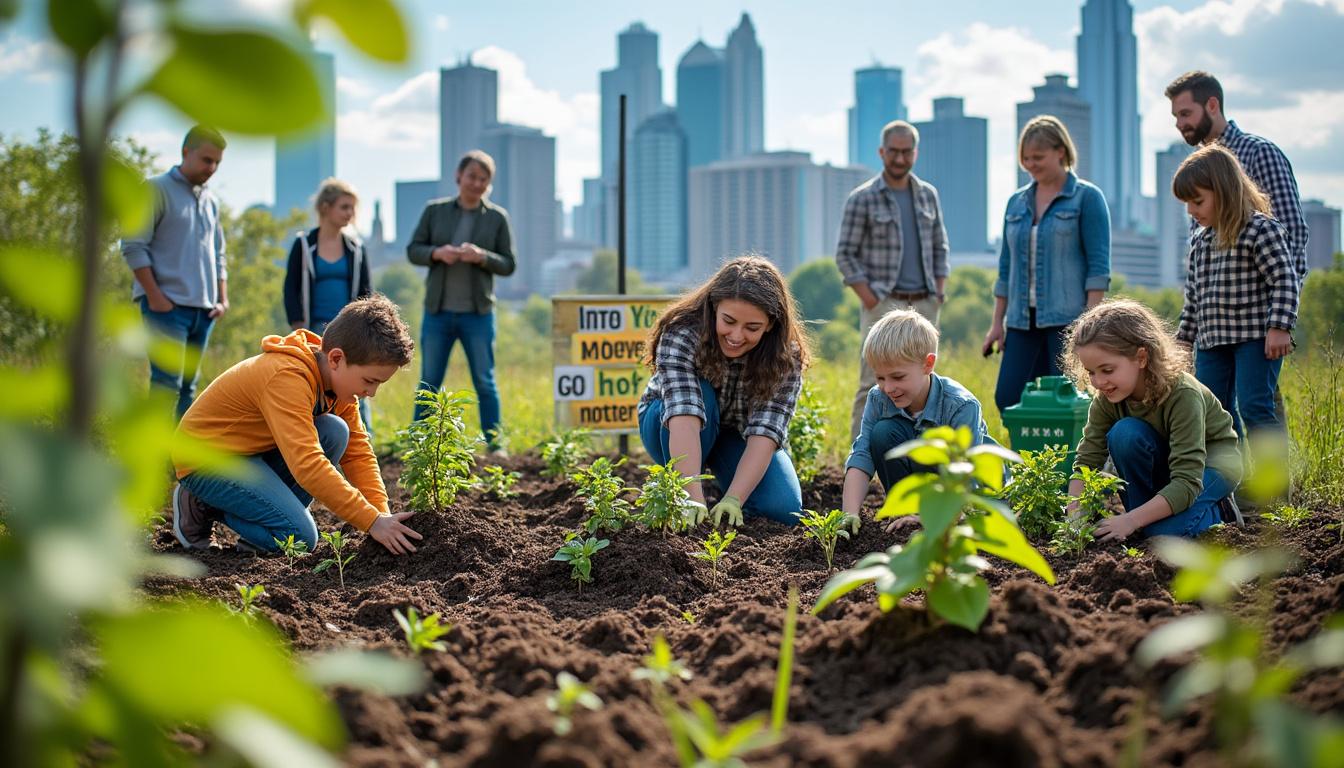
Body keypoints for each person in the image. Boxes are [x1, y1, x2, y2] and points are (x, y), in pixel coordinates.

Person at [169, 295, 421, 555]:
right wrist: (371, 521)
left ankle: (261, 536)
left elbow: (357, 453)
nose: (372, 392)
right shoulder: (288, 377)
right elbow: (307, 464)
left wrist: (382, 515)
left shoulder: (339, 387)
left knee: (334, 431)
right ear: (336, 359)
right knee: (299, 537)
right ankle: (202, 504)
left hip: (250, 455)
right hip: (206, 459)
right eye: (369, 381)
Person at [638, 255, 810, 526]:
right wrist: (692, 497)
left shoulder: (785, 357)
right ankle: (686, 485)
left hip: (735, 433)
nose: (737, 336)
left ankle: (722, 489)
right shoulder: (683, 332)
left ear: (770, 324)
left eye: (752, 327)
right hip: (669, 424)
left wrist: (734, 498)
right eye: (728, 321)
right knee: (701, 394)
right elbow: (683, 413)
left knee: (782, 509)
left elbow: (766, 432)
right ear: (714, 306)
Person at [1064, 299, 1242, 540]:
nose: (1098, 382)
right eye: (1091, 372)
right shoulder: (1108, 397)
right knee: (1125, 433)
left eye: (1107, 370)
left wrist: (1130, 520)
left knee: (1164, 536)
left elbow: (1187, 481)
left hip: (1210, 468)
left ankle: (1220, 510)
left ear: (1141, 358)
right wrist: (1073, 520)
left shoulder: (1183, 395)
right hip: (1168, 466)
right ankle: (1148, 521)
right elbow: (1086, 461)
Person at [983, 115, 1111, 415]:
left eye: (1038, 157)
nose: (1031, 164)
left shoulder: (1087, 198)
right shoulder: (1016, 203)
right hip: (1020, 321)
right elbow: (1005, 268)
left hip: (1068, 321)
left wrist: (1089, 325)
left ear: (1060, 152)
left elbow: (1098, 269)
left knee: (1066, 404)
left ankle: (1072, 450)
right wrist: (997, 324)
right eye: (1025, 158)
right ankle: (1024, 448)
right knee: (1009, 399)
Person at [1171, 144, 1300, 441]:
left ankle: (1271, 472)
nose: (1191, 211)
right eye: (1187, 204)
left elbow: (1284, 279)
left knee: (1255, 406)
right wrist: (1184, 340)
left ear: (1224, 191)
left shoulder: (1260, 229)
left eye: (1198, 201)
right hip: (1212, 342)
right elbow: (1194, 298)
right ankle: (1227, 471)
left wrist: (1279, 326)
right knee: (1214, 414)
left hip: (1254, 339)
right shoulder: (1200, 241)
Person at [835, 120, 950, 442]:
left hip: (925, 301)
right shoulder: (862, 198)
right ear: (881, 152)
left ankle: (922, 453)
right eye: (893, 152)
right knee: (872, 381)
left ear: (915, 153)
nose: (900, 158)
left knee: (925, 381)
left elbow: (940, 247)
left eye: (906, 152)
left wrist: (939, 291)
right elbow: (845, 254)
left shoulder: (928, 195)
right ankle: (861, 455)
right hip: (883, 303)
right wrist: (870, 298)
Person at [841, 309, 992, 530]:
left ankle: (932, 517)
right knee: (882, 433)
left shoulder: (961, 406)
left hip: (969, 498)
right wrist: (850, 513)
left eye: (897, 377)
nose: (888, 388)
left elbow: (966, 475)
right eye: (880, 377)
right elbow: (862, 455)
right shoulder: (879, 398)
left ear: (928, 364)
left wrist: (936, 519)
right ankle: (905, 513)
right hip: (930, 488)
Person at [407, 150, 515, 453]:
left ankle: (495, 445)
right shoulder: (435, 211)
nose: (477, 183)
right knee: (429, 381)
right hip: (438, 312)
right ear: (459, 176)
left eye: (484, 179)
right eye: (472, 176)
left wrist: (482, 257)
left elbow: (509, 264)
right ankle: (418, 444)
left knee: (485, 381)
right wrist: (437, 253)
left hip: (478, 315)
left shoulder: (497, 218)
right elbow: (413, 250)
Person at [121, 124, 229, 420]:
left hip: (204, 312)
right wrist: (155, 297)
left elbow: (218, 253)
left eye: (217, 162)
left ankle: (179, 451)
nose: (212, 168)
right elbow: (133, 246)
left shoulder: (211, 200)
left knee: (188, 389)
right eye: (207, 160)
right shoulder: (153, 189)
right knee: (165, 386)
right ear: (185, 152)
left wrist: (222, 299)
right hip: (167, 309)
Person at [1166, 71, 1309, 287]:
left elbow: (1292, 232)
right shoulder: (1195, 167)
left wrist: (1283, 299)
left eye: (1185, 113)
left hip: (1258, 303)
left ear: (1212, 106)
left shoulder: (1259, 153)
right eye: (1176, 116)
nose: (1179, 123)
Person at [283, 177, 374, 430]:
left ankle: (364, 436)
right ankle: (316, 436)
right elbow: (291, 288)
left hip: (350, 330)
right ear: (325, 207)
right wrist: (298, 326)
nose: (350, 213)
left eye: (352, 208)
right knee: (317, 384)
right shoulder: (304, 245)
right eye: (344, 207)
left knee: (357, 382)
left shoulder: (356, 248)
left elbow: (366, 291)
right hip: (314, 329)